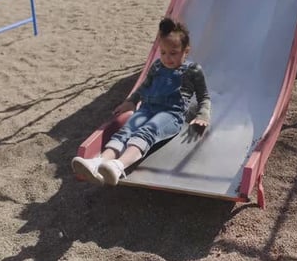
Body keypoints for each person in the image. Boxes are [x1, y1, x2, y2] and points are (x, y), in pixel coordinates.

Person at [71, 17, 211, 186]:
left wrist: (203, 114)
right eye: (163, 52)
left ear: (186, 51)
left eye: (173, 53)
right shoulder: (158, 66)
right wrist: (131, 101)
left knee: (147, 130)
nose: (167, 58)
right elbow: (144, 86)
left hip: (171, 115)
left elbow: (204, 96)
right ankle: (99, 162)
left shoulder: (192, 70)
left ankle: (118, 166)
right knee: (126, 130)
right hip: (147, 109)